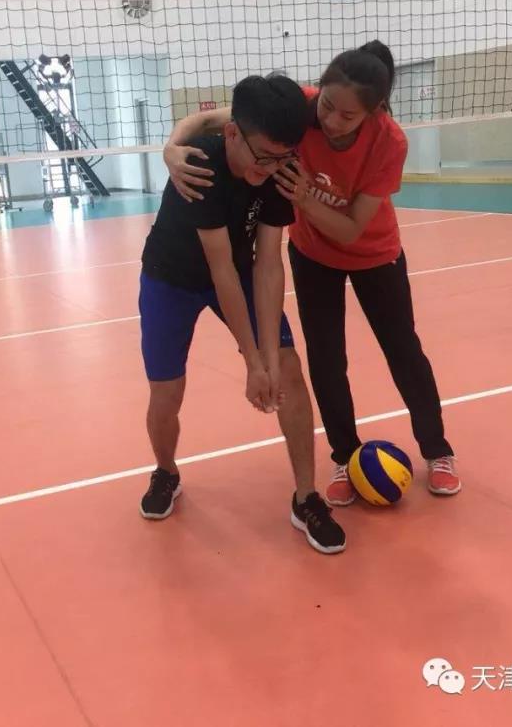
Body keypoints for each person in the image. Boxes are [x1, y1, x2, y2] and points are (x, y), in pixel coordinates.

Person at [163, 42, 461, 507]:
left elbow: (351, 228)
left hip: (374, 253)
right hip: (312, 254)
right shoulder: (301, 108)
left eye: (347, 115)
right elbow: (206, 122)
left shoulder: (389, 142)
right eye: (326, 105)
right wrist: (171, 149)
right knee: (325, 359)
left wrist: (304, 198)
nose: (331, 120)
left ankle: (437, 450)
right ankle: (344, 455)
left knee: (403, 351)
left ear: (374, 111)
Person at [138, 73, 346, 555]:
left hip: (241, 269)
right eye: (264, 156)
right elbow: (221, 271)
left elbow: (268, 263)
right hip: (172, 278)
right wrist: (253, 363)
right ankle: (166, 471)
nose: (271, 168)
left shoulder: (278, 169)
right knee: (167, 392)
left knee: (289, 370)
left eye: (282, 157)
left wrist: (271, 360)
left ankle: (306, 497)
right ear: (232, 134)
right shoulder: (202, 166)